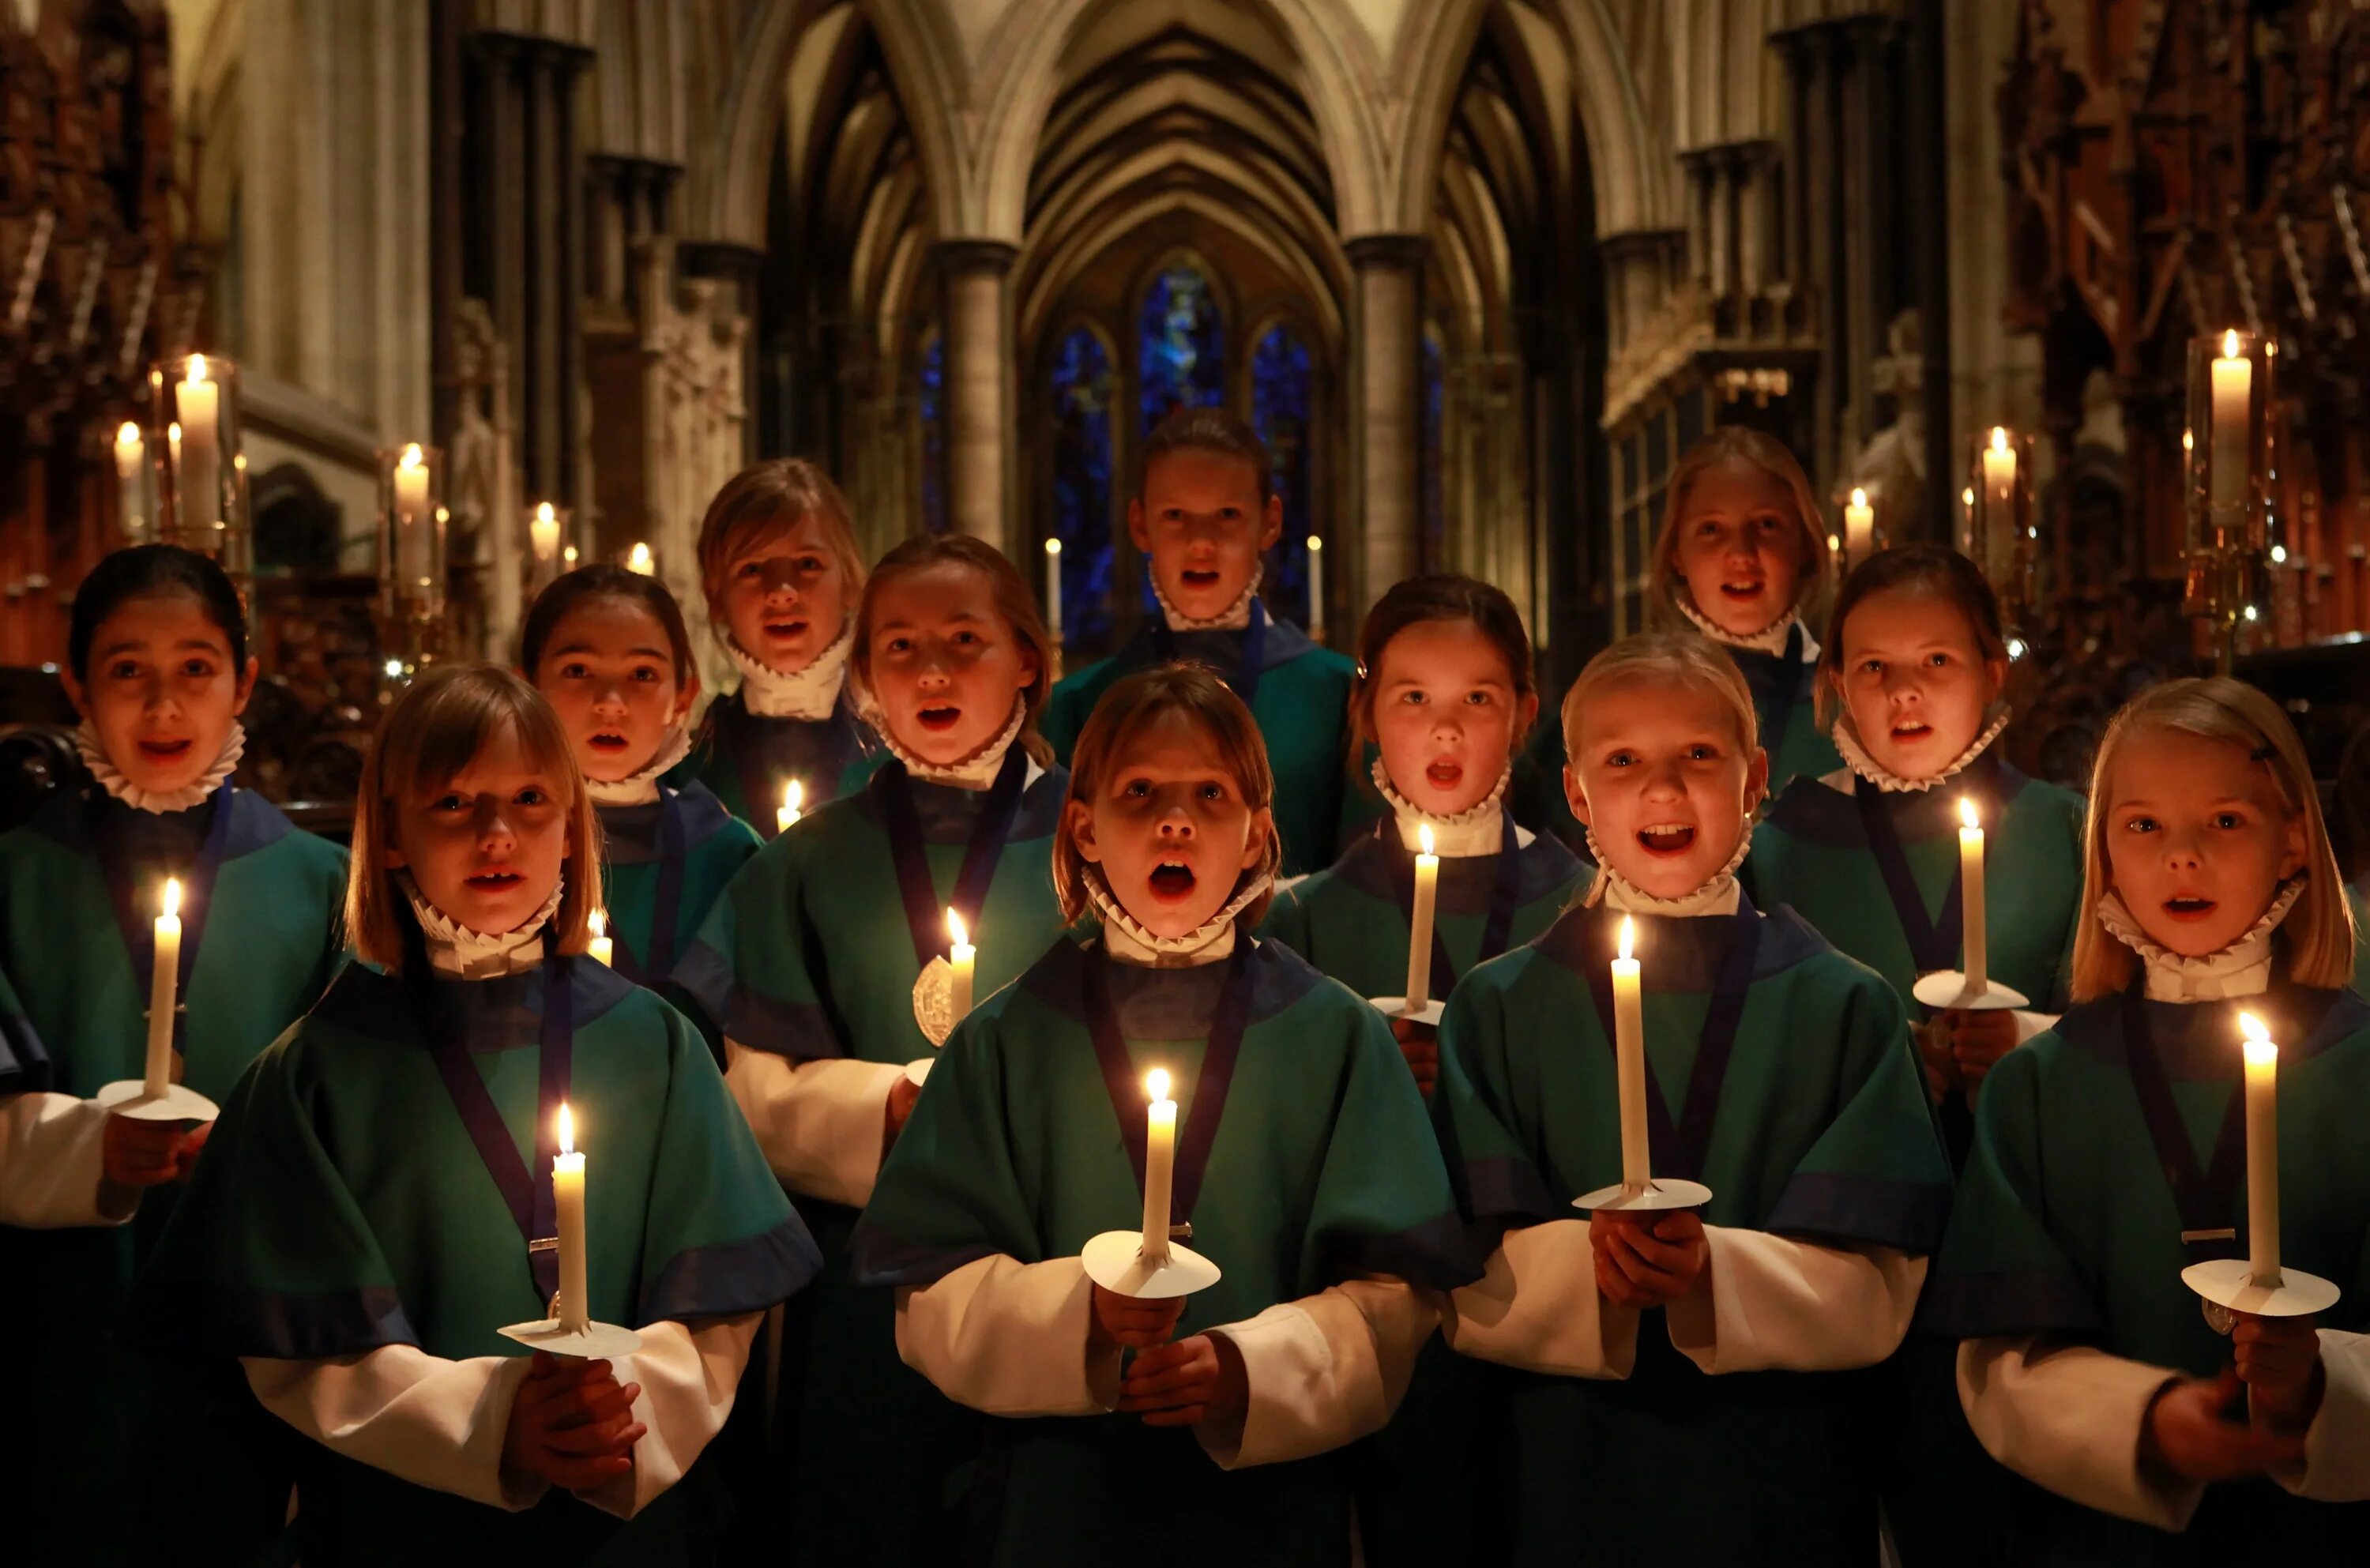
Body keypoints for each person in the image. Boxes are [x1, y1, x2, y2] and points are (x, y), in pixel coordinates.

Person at [128, 664, 818, 1563]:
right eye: (453, 802)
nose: (497, 833)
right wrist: (495, 1424)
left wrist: (619, 1410)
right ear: (389, 838)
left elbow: (719, 1315)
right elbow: (301, 1353)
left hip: (622, 1512)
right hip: (404, 1520)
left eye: (531, 797)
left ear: (573, 825)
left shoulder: (657, 1044)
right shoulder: (313, 1074)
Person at [850, 664, 1472, 1564]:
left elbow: (1396, 1298)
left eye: (1209, 794)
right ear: (1084, 827)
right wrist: (1081, 1320)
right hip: (1061, 1494)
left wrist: (1249, 1369)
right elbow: (930, 1299)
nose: (1174, 820)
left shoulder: (1333, 1031)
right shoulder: (1006, 1038)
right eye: (1140, 791)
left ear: (1258, 834)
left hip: (1269, 1501)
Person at [1433, 633, 1952, 1563]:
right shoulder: (1499, 1007)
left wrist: (1715, 1274)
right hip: (1569, 1476)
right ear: (1579, 792)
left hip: (1777, 1478)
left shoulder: (1844, 1005)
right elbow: (1458, 1278)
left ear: (1754, 777)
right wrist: (1586, 1264)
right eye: (1625, 760)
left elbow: (1883, 1287)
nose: (1664, 790)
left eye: (1698, 757)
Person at [679, 532, 1074, 1563]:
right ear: (862, 675)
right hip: (867, 1278)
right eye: (899, 646)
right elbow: (754, 1095)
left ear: (1029, 657)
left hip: (1060, 1261)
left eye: (964, 640)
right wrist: (885, 1111)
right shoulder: (805, 861)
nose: (932, 671)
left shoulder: (1104, 834)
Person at [1924, 677, 2370, 1559]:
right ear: (2104, 854)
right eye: (2144, 825)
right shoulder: (2040, 1085)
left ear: (2293, 844)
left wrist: (2320, 1386)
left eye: (2226, 821)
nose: (2183, 856)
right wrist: (2145, 1421)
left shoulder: (2360, 1065)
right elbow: (2003, 1361)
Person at [0, 543, 348, 1561]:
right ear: (75, 684)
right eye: (126, 670)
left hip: (244, 1317)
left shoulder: (324, 880)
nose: (163, 705)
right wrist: (84, 1153)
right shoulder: (14, 876)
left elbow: (348, 1103)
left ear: (244, 680)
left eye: (195, 667)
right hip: (56, 1315)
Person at [1746, 544, 2085, 1158]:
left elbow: (2130, 1030)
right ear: (1839, 685)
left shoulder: (2067, 832)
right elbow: (1755, 1043)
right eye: (1874, 666)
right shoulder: (1778, 850)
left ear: (1992, 672)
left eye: (1936, 659)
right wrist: (1871, 1064)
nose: (1904, 690)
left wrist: (2023, 1038)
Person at [1040, 407, 1364, 875]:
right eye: (1175, 516)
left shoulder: (1341, 696)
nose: (1201, 543)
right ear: (1140, 524)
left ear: (1270, 522)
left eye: (1227, 515)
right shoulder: (1078, 707)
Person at [523, 565, 760, 1040]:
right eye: (578, 671)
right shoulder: (496, 847)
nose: (611, 702)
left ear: (683, 697)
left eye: (642, 674)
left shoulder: (729, 853)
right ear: (526, 688)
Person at [671, 458, 882, 836]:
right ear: (716, 598)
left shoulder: (902, 750)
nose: (781, 592)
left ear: (850, 582)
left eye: (807, 564)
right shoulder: (689, 767)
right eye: (752, 570)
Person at [1647, 425, 1842, 792]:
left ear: (1804, 544)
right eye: (1711, 530)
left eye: (1766, 525)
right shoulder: (1633, 701)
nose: (1741, 554)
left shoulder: (1852, 706)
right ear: (1677, 554)